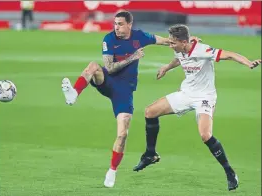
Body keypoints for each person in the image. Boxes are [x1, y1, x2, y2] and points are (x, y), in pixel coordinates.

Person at [61, 11, 200, 188]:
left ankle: (112, 170)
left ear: (129, 25)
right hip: (108, 82)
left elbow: (166, 41)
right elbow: (110, 68)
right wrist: (132, 57)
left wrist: (188, 41)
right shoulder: (109, 39)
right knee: (94, 66)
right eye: (115, 24)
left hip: (125, 91)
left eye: (120, 24)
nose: (116, 27)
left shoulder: (140, 36)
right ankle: (73, 94)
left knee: (122, 133)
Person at [133, 24, 261, 191]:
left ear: (184, 42)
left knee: (205, 135)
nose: (170, 45)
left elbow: (229, 55)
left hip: (204, 97)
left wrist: (248, 63)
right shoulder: (179, 48)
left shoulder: (203, 50)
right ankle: (150, 155)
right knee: (150, 112)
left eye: (173, 43)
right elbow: (179, 58)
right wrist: (166, 67)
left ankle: (229, 172)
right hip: (186, 93)